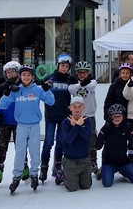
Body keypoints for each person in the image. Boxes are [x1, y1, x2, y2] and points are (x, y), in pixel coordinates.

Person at [0, 64, 55, 194]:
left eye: (29, 75)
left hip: (34, 126)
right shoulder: (16, 90)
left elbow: (51, 102)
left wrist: (47, 90)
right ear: (20, 76)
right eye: (24, 75)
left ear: (33, 77)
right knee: (20, 153)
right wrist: (6, 94)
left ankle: (34, 174)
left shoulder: (38, 90)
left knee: (34, 152)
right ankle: (16, 177)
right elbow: (2, 105)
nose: (26, 77)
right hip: (21, 126)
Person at [40, 54, 75, 183]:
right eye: (62, 66)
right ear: (57, 65)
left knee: (61, 141)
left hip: (64, 115)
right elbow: (42, 92)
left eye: (67, 66)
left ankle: (58, 166)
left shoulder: (70, 80)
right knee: (48, 142)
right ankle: (44, 167)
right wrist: (44, 88)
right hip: (51, 115)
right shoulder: (49, 78)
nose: (64, 68)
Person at [95, 104, 133, 187]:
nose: (116, 118)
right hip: (109, 162)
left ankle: (123, 171)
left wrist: (131, 132)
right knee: (107, 183)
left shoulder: (126, 126)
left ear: (123, 116)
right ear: (110, 117)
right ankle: (103, 170)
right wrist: (103, 131)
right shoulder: (107, 128)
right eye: (114, 116)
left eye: (119, 116)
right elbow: (97, 146)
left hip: (123, 161)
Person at [0, 61, 24, 185]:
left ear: (18, 72)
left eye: (13, 71)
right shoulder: (1, 87)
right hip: (5, 121)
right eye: (8, 72)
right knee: (2, 146)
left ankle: (24, 167)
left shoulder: (23, 85)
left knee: (20, 146)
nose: (10, 74)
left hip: (20, 121)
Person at [68, 61, 99, 178]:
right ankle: (79, 162)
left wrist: (84, 83)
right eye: (80, 73)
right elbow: (71, 89)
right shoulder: (73, 85)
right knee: (78, 138)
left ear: (88, 73)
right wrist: (80, 84)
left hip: (90, 115)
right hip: (77, 116)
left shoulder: (92, 82)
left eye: (84, 73)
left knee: (91, 138)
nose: (82, 75)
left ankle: (93, 161)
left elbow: (92, 85)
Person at [60, 95, 92, 192]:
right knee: (72, 188)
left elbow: (87, 137)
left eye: (79, 106)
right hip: (71, 160)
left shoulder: (87, 120)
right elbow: (69, 139)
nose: (77, 109)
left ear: (83, 107)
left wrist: (78, 126)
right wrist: (77, 127)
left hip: (84, 160)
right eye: (74, 106)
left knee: (86, 186)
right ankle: (63, 176)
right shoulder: (65, 122)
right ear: (70, 108)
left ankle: (76, 177)